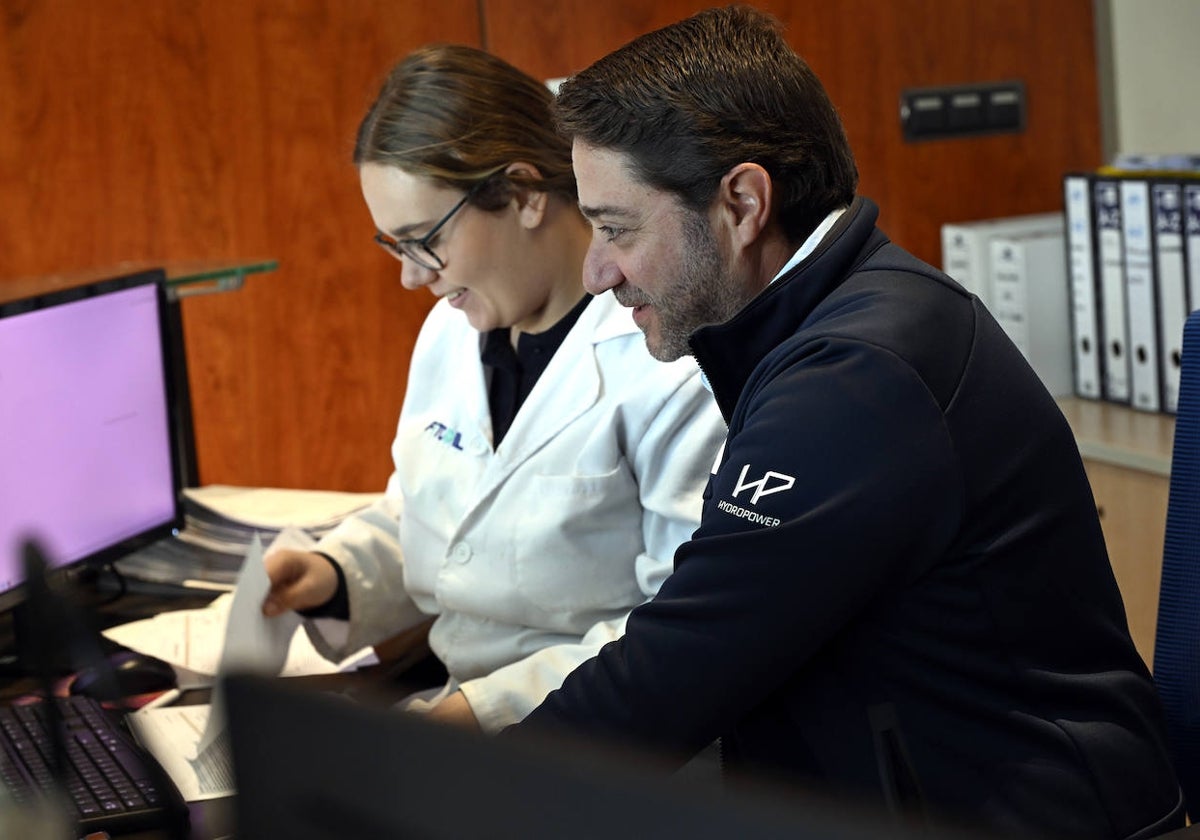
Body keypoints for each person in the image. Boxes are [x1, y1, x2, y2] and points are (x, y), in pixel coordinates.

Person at [506, 7, 1185, 837]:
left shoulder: (859, 377)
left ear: (745, 203)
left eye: (616, 228)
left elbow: (673, 672)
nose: (597, 271)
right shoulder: (824, 323)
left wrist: (457, 792)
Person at [259, 44, 726, 733]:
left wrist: (477, 714)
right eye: (393, 245)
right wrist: (333, 573)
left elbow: (674, 634)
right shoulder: (453, 329)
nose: (412, 277)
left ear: (523, 193)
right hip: (463, 719)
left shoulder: (667, 360)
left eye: (424, 240)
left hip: (600, 748)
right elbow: (436, 519)